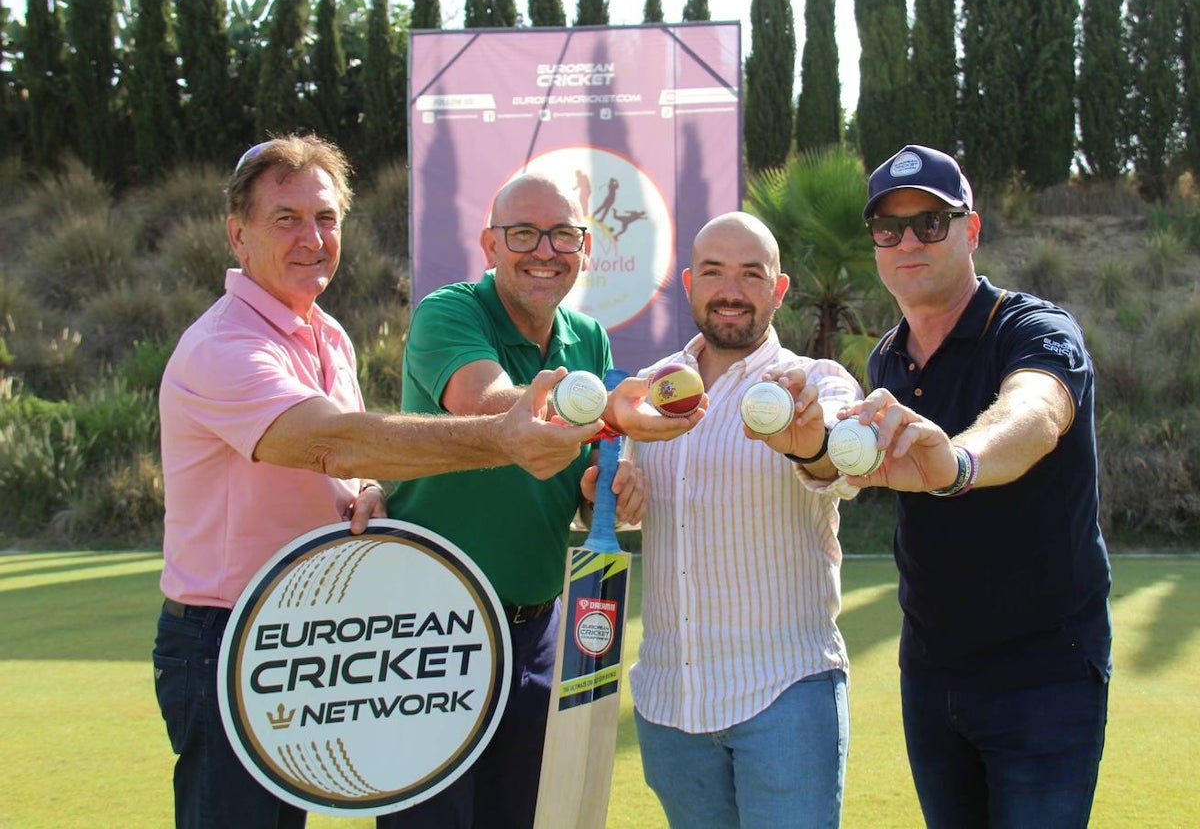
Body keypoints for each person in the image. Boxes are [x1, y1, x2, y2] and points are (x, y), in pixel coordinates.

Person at [154, 136, 607, 829]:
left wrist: (366, 488)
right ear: (237, 235)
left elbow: (348, 458)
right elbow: (333, 441)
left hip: (318, 633)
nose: (312, 238)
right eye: (286, 218)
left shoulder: (326, 335)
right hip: (226, 638)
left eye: (326, 218)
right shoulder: (225, 347)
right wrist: (502, 437)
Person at [379, 172, 701, 829]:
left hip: (537, 630)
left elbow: (579, 482)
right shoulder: (450, 312)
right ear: (489, 244)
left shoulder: (589, 338)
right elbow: (490, 406)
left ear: (586, 249)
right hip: (431, 628)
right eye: (523, 233)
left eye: (562, 235)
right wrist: (610, 409)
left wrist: (605, 490)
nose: (544, 250)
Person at [843, 144, 1112, 827]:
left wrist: (954, 462)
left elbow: (1036, 414)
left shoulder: (1032, 327)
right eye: (889, 226)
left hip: (1043, 678)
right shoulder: (887, 357)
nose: (908, 240)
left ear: (971, 230)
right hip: (931, 677)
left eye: (931, 221)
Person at [629, 212, 862, 828]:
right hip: (669, 704)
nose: (730, 290)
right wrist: (606, 493)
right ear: (688, 283)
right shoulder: (650, 389)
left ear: (778, 289)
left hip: (785, 697)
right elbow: (613, 503)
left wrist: (809, 443)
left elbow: (840, 461)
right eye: (713, 272)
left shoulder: (817, 382)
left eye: (751, 274)